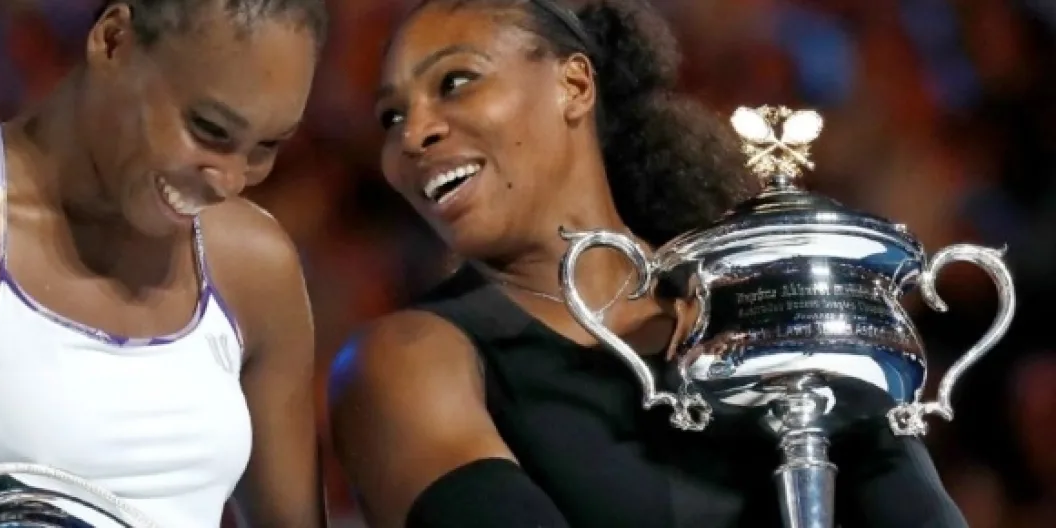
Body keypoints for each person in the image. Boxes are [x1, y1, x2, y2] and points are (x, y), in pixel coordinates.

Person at [328, 0, 970, 527]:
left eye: (455, 82)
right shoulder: (406, 362)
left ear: (573, 84)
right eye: (391, 116)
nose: (412, 134)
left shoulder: (762, 299)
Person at [0, 1, 327, 526]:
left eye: (266, 146)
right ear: (113, 40)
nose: (230, 180)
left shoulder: (256, 266)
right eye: (209, 129)